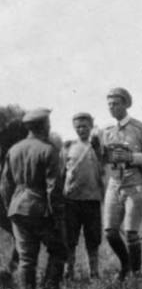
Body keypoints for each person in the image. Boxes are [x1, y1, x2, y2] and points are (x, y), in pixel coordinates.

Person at [0, 108, 67, 289]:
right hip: (40, 209)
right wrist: (58, 216)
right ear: (44, 126)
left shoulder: (14, 150)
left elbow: (5, 186)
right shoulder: (48, 150)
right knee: (59, 251)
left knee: (26, 257)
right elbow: (53, 188)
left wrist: (10, 207)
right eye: (48, 124)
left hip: (17, 208)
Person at [99, 87, 142, 282]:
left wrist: (131, 157)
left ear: (126, 104)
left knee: (131, 232)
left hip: (136, 183)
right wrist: (100, 152)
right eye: (109, 104)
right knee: (110, 232)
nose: (112, 107)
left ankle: (136, 274)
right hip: (114, 183)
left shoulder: (140, 128)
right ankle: (126, 265)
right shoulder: (107, 131)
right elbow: (103, 158)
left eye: (116, 104)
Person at [61, 112, 104, 279]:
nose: (81, 130)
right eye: (78, 127)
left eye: (85, 126)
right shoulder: (68, 147)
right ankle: (69, 272)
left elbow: (105, 167)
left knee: (93, 240)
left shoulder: (98, 147)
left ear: (91, 126)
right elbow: (61, 173)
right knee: (70, 239)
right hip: (71, 201)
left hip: (92, 200)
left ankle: (94, 273)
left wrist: (99, 148)